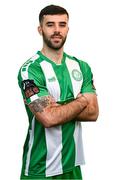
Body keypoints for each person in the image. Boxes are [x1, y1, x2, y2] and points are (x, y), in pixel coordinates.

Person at [18, 4, 99, 180]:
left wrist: (57, 107)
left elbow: (93, 113)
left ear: (68, 28)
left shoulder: (81, 67)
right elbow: (48, 118)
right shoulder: (30, 70)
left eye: (62, 25)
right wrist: (81, 101)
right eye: (50, 24)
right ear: (40, 29)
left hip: (73, 166)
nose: (57, 30)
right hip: (40, 169)